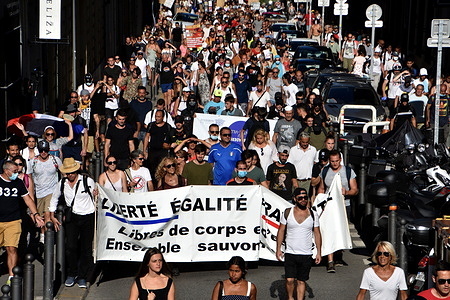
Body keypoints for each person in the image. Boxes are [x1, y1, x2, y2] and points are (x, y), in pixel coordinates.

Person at [49, 158, 97, 289]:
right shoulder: (62, 183)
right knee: (71, 247)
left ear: (77, 171)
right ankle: (72, 273)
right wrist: (52, 215)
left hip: (88, 216)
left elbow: (97, 197)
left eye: (72, 172)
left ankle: (82, 276)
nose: (70, 175)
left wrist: (96, 194)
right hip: (72, 218)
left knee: (86, 248)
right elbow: (54, 198)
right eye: (67, 173)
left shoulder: (88, 181)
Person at [0, 161, 44, 283]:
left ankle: (12, 276)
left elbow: (28, 200)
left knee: (12, 248)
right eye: (14, 171)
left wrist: (35, 214)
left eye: (18, 171)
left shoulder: (18, 183)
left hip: (13, 221)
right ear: (6, 170)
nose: (17, 174)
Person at [276, 188, 322, 300]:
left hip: (306, 253)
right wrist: (278, 249)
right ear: (295, 199)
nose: (303, 200)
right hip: (290, 252)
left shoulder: (313, 214)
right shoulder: (288, 212)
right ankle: (290, 297)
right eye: (300, 198)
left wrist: (319, 253)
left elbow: (317, 233)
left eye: (305, 197)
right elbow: (281, 230)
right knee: (289, 280)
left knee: (301, 281)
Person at [318, 150, 358, 272]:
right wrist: (320, 201)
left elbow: (355, 190)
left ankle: (338, 253)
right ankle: (330, 261)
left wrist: (346, 192)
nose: (334, 164)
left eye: (336, 161)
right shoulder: (325, 171)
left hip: (343, 205)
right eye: (332, 161)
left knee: (339, 230)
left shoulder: (348, 171)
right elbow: (321, 188)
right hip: (329, 205)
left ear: (340, 160)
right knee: (328, 231)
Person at [30, 140, 62, 243]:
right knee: (41, 217)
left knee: (47, 214)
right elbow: (30, 177)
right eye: (41, 150)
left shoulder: (55, 160)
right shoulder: (33, 162)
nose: (43, 152)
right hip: (39, 192)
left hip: (52, 191)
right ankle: (43, 234)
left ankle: (47, 237)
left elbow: (63, 174)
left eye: (45, 150)